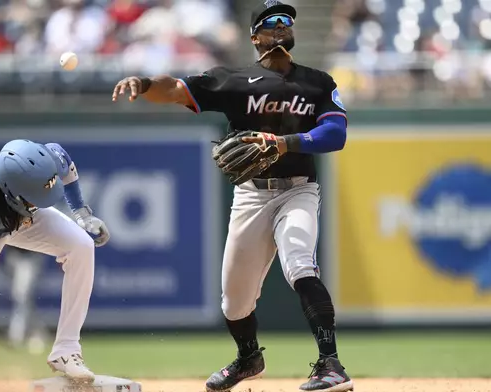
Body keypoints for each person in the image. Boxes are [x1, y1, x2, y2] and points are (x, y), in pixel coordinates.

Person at [111, 1, 353, 392]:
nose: (280, 26)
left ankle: (331, 365)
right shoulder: (234, 81)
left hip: (298, 190)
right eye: (270, 22)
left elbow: (335, 135)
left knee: (300, 265)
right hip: (251, 196)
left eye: (285, 22)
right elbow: (175, 89)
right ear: (254, 36)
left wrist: (283, 142)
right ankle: (248, 358)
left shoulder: (317, 82)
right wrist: (142, 84)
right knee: (234, 303)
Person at [0, 139, 110, 390]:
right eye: (38, 196)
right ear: (13, 194)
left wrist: (81, 213)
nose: (45, 199)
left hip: (18, 214)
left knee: (81, 245)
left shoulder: (41, 163)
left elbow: (63, 159)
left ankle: (66, 350)